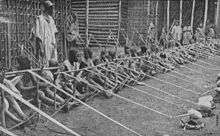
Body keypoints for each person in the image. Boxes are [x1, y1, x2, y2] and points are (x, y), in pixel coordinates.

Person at [33, 0, 58, 66]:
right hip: (44, 44)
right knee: (44, 62)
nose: (51, 10)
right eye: (50, 8)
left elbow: (55, 33)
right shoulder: (39, 19)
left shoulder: (51, 19)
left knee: (53, 62)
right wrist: (41, 48)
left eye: (51, 8)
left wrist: (55, 44)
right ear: (46, 8)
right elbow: (37, 35)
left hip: (52, 44)